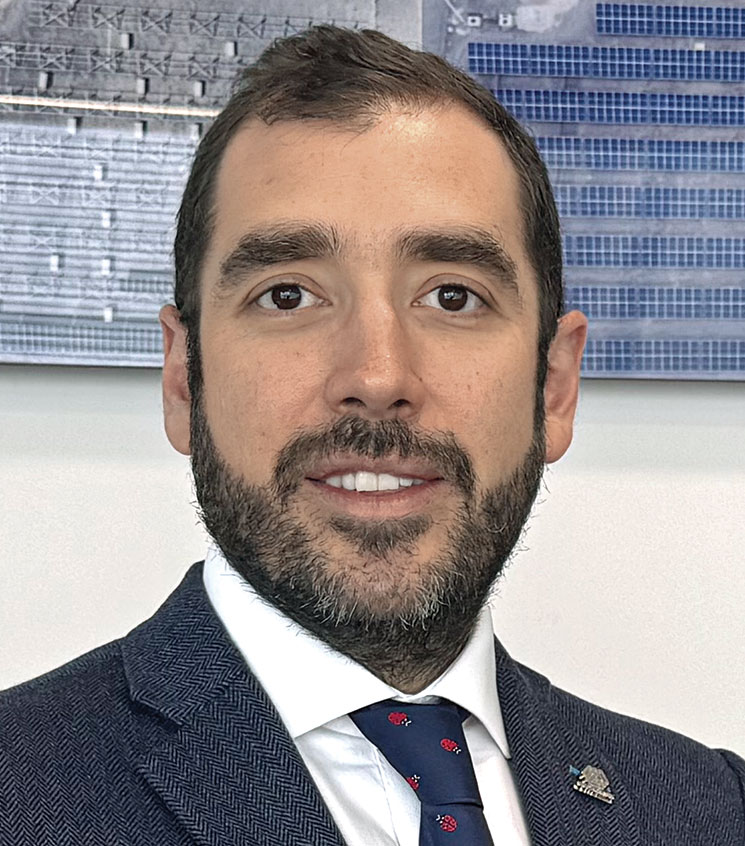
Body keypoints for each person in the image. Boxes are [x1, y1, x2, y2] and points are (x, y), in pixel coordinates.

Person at [1, 25, 742, 846]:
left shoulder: (710, 808)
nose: (379, 375)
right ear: (183, 379)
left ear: (554, 386)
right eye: (287, 295)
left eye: (453, 296)